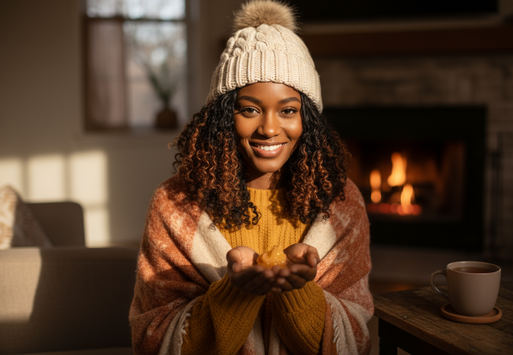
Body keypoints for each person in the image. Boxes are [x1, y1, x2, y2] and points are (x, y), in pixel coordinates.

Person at [129, 1, 373, 354]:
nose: (270, 129)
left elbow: (356, 338)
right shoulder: (175, 205)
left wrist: (298, 293)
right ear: (225, 117)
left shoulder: (342, 202)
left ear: (309, 121)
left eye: (288, 110)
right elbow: (152, 339)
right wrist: (235, 293)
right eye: (250, 110)